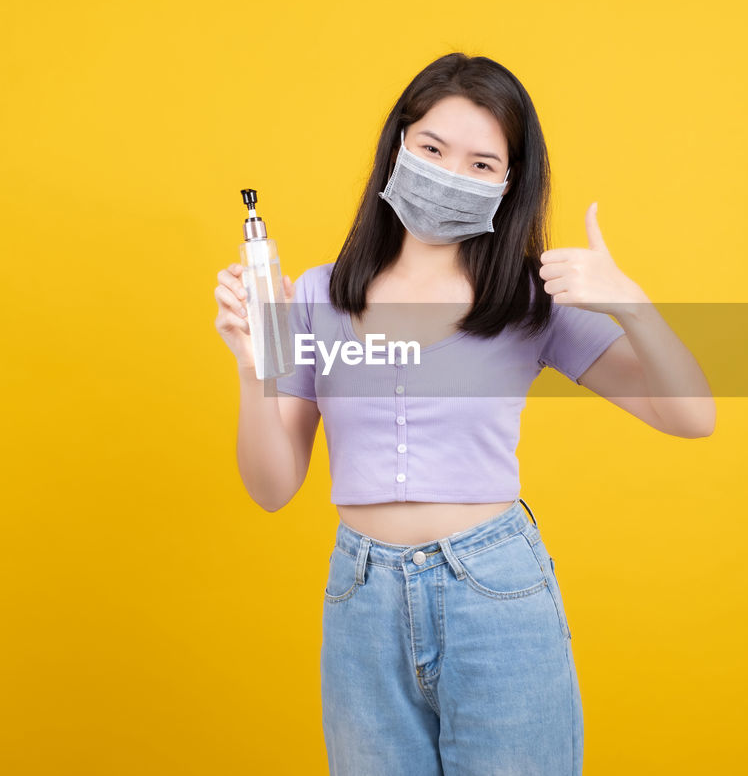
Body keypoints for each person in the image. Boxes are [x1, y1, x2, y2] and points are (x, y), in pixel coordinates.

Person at [214, 52, 714, 775]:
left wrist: (631, 303)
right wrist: (252, 369)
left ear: (510, 185)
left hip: (495, 593)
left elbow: (690, 415)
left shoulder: (526, 302)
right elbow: (270, 486)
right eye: (432, 149)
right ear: (398, 146)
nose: (451, 174)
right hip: (361, 602)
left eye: (483, 164)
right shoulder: (317, 296)